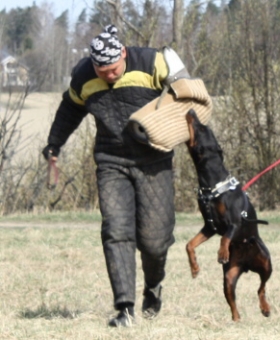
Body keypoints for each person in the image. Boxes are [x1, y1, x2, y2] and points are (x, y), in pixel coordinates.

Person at [42, 25, 179, 327]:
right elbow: (70, 109)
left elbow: (184, 96)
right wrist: (55, 143)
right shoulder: (83, 76)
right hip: (111, 160)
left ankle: (153, 289)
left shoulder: (152, 63)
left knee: (155, 241)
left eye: (113, 69)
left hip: (153, 160)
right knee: (116, 230)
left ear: (124, 54)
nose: (109, 76)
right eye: (101, 71)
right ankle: (125, 308)